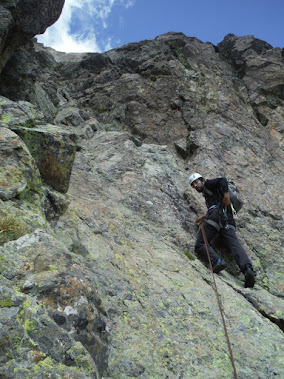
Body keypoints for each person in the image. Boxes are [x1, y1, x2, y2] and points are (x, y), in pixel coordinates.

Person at [189, 172, 255, 288]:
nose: (195, 186)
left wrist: (226, 196)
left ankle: (217, 262)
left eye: (196, 182)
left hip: (216, 216)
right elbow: (217, 204)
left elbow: (222, 179)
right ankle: (247, 269)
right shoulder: (209, 193)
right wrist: (204, 217)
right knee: (234, 245)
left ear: (201, 179)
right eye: (193, 185)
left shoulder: (208, 184)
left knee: (200, 244)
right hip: (227, 218)